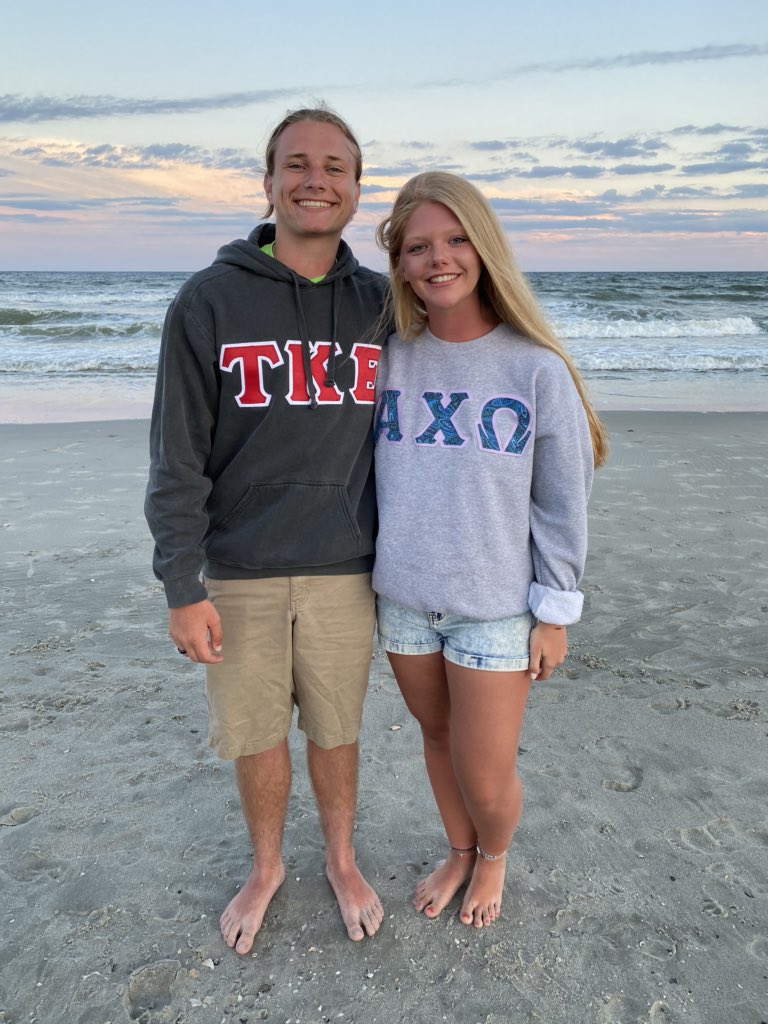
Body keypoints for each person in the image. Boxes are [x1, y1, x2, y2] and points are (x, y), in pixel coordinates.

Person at [145, 105, 388, 952]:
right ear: (268, 181)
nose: (314, 178)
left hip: (344, 566)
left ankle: (343, 857)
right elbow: (175, 458)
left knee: (336, 728)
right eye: (296, 163)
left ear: (358, 190)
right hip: (239, 568)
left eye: (334, 166)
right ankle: (265, 864)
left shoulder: (382, 305)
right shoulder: (207, 300)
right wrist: (181, 586)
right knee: (255, 735)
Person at [372, 171, 607, 929]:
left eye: (454, 239)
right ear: (401, 264)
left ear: (484, 247)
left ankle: (494, 858)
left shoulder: (533, 369)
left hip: (495, 610)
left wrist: (554, 611)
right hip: (404, 598)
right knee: (435, 739)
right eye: (418, 247)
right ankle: (459, 851)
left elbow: (562, 502)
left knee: (486, 767)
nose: (438, 258)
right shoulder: (387, 359)